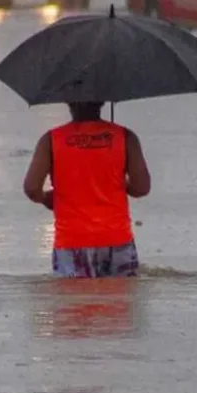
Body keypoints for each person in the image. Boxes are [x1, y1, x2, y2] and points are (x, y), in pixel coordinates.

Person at [23, 102, 151, 278]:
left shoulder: (51, 139)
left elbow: (31, 188)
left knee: (74, 302)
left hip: (72, 241)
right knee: (120, 302)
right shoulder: (125, 136)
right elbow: (142, 188)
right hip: (117, 238)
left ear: (68, 102)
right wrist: (117, 182)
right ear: (103, 101)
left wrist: (48, 199)